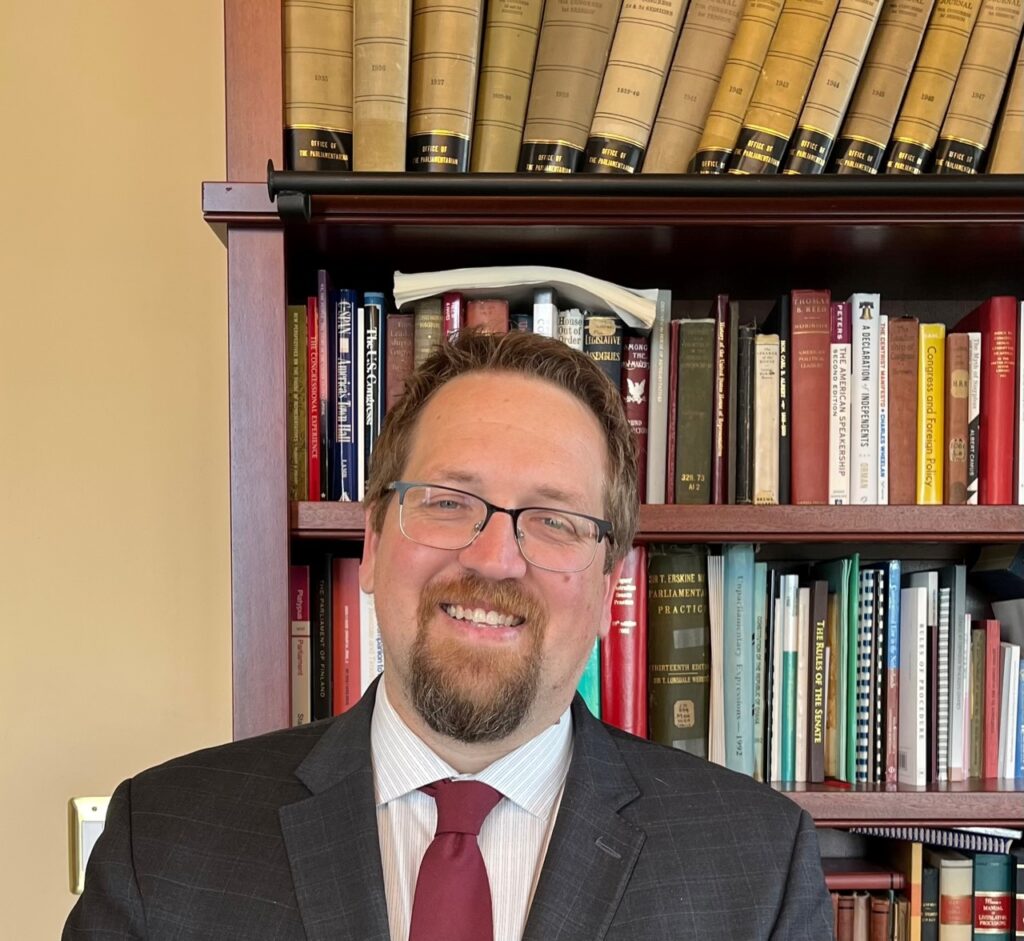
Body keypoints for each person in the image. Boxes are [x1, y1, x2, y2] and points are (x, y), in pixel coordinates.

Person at [65, 329, 834, 941]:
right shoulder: (162, 840)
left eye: (555, 520)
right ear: (370, 543)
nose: (494, 559)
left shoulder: (758, 869)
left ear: (607, 588)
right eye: (446, 501)